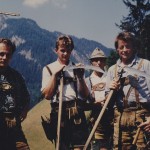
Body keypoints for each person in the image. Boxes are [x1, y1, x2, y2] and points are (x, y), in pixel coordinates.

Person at [41, 35, 89, 150]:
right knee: (62, 147)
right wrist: (54, 76)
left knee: (80, 147)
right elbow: (47, 95)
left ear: (71, 51)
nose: (65, 54)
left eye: (68, 51)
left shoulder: (76, 68)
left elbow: (85, 95)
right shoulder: (48, 68)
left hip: (76, 111)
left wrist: (81, 77)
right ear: (56, 50)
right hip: (58, 112)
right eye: (62, 51)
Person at [105, 31, 150, 150]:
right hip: (120, 118)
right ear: (117, 49)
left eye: (128, 46)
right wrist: (111, 90)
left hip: (142, 117)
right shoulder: (112, 70)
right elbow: (107, 103)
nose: (124, 50)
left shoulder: (145, 65)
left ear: (133, 47)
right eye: (121, 47)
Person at [0, 38, 30, 150]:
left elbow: (26, 97)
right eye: (1, 54)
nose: (4, 58)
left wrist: (25, 110)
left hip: (14, 128)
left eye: (8, 55)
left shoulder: (16, 76)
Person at [85, 48, 113, 150]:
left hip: (112, 116)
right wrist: (93, 104)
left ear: (105, 62)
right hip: (97, 119)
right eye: (96, 60)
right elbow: (84, 103)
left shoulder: (110, 77)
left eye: (101, 60)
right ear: (91, 62)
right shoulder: (88, 81)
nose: (99, 62)